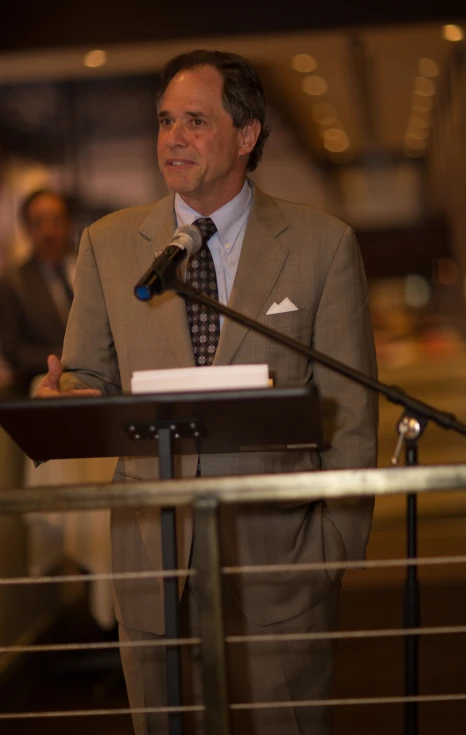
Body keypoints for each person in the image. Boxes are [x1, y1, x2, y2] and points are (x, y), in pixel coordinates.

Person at [35, 50, 378, 735]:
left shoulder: (322, 245)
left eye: (195, 120)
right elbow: (89, 378)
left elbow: (352, 416)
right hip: (150, 559)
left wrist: (331, 549)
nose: (172, 137)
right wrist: (64, 400)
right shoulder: (109, 244)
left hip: (281, 558)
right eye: (165, 120)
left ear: (246, 134)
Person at [0, 189, 76, 394]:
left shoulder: (90, 267)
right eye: (38, 222)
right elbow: (15, 352)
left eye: (56, 220)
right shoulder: (13, 283)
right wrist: (66, 358)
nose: (48, 230)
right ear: (25, 228)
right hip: (42, 385)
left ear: (69, 222)